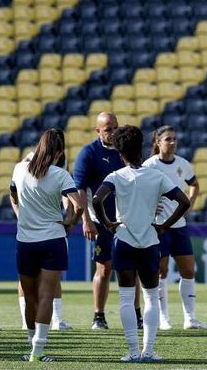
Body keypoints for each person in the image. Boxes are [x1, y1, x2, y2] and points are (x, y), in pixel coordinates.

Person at [92, 125, 190, 362]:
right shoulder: (156, 176)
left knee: (126, 298)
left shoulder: (115, 177)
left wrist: (107, 222)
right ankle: (149, 351)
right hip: (149, 241)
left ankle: (133, 351)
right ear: (142, 148)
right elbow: (184, 202)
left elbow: (96, 199)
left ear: (120, 152)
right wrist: (164, 225)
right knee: (151, 296)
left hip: (124, 240)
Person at [9, 129, 86, 361]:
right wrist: (70, 222)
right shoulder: (60, 175)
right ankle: (38, 351)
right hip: (53, 238)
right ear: (60, 151)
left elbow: (13, 197)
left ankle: (30, 342)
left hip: (25, 240)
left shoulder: (19, 168)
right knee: (46, 296)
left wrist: (21, 216)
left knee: (30, 296)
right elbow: (79, 204)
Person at [142, 125, 207, 331]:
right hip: (159, 226)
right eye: (168, 139)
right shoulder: (150, 165)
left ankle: (190, 318)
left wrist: (189, 204)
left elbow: (195, 184)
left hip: (179, 225)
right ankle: (163, 318)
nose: (172, 142)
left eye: (174, 139)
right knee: (161, 271)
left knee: (189, 270)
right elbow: (140, 189)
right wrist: (150, 205)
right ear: (158, 142)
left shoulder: (183, 164)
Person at [74, 112, 126, 330]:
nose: (113, 132)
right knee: (104, 269)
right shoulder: (89, 153)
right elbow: (79, 189)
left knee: (128, 268)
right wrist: (86, 220)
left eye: (115, 127)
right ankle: (99, 316)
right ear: (98, 131)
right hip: (100, 220)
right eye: (108, 129)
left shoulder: (125, 151)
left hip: (125, 220)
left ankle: (136, 315)